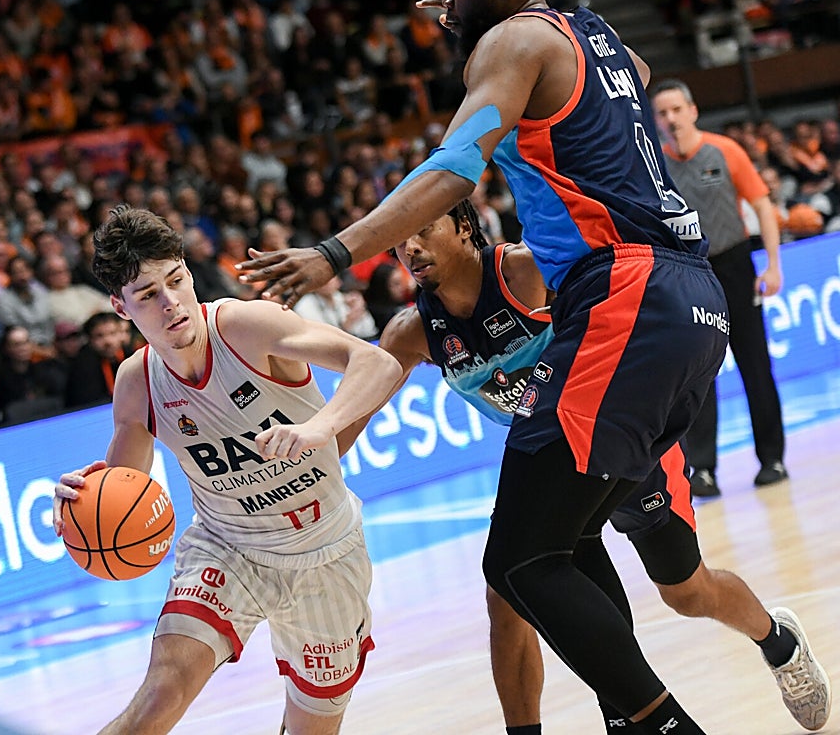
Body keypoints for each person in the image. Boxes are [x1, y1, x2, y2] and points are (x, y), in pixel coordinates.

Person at [234, 0, 821, 732]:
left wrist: (335, 251)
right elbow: (633, 70)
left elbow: (453, 165)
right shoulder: (586, 33)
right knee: (542, 559)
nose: (448, 2)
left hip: (624, 302)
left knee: (550, 564)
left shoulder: (512, 56)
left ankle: (705, 689)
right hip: (677, 300)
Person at [338, 201, 831, 733]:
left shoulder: (525, 271)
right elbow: (353, 414)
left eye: (423, 230)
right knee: (510, 587)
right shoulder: (412, 331)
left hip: (624, 433)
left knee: (686, 590)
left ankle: (777, 642)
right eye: (399, 240)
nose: (410, 248)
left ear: (463, 228)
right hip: (557, 455)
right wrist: (306, 467)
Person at [52, 206, 404, 735]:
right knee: (160, 695)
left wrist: (320, 427)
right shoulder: (137, 382)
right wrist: (84, 502)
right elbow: (123, 491)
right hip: (227, 548)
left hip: (326, 549)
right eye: (148, 295)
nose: (171, 303)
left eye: (176, 280)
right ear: (120, 307)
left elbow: (378, 363)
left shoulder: (245, 326)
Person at [651, 79, 788, 497]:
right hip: (688, 275)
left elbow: (762, 204)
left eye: (677, 109)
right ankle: (703, 469)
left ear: (693, 111)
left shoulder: (725, 150)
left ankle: (772, 458)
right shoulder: (654, 164)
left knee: (755, 365)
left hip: (734, 264)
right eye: (662, 113)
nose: (671, 119)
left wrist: (773, 265)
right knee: (696, 377)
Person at [63, 311, 136, 410]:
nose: (108, 341)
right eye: (99, 336)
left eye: (113, 333)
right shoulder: (82, 366)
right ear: (90, 340)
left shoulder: (132, 357)